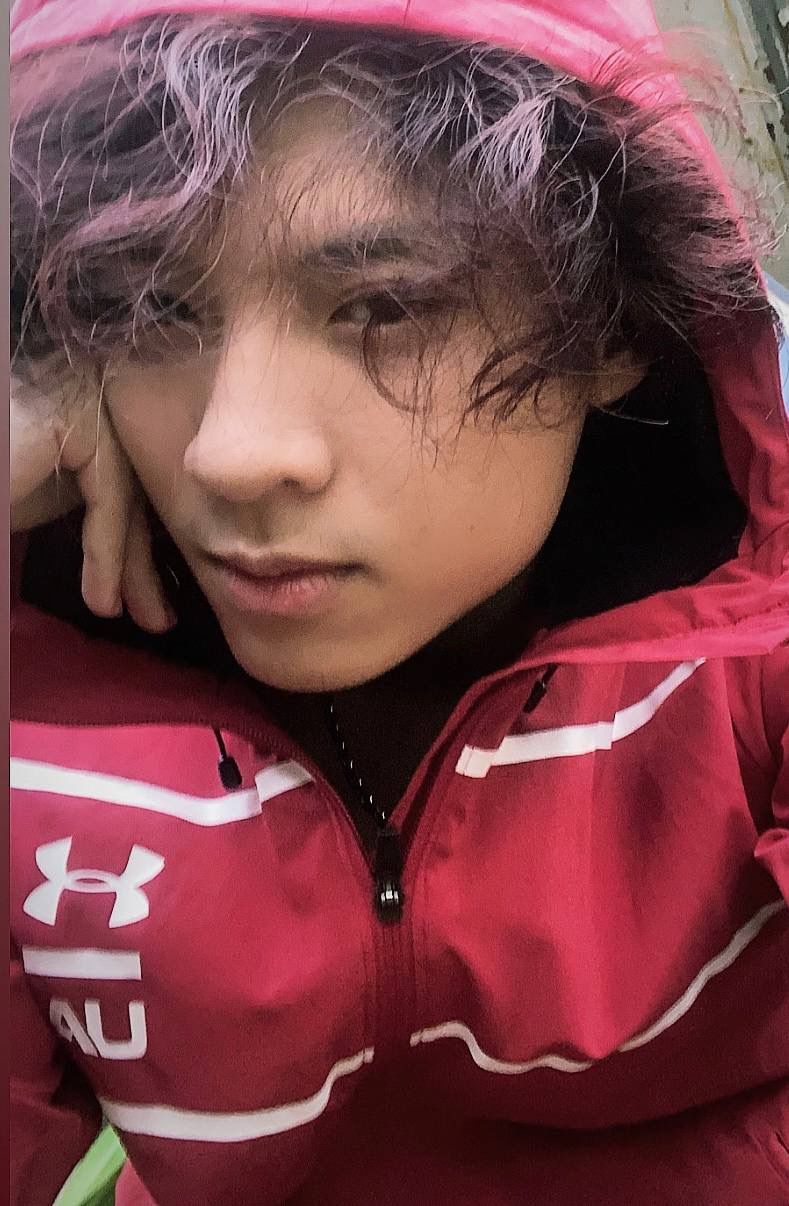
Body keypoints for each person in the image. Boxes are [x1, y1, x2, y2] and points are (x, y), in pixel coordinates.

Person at [9, 1, 789, 1203]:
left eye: (384, 305)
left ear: (612, 323)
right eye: (154, 308)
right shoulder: (40, 691)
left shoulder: (753, 659)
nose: (231, 452)